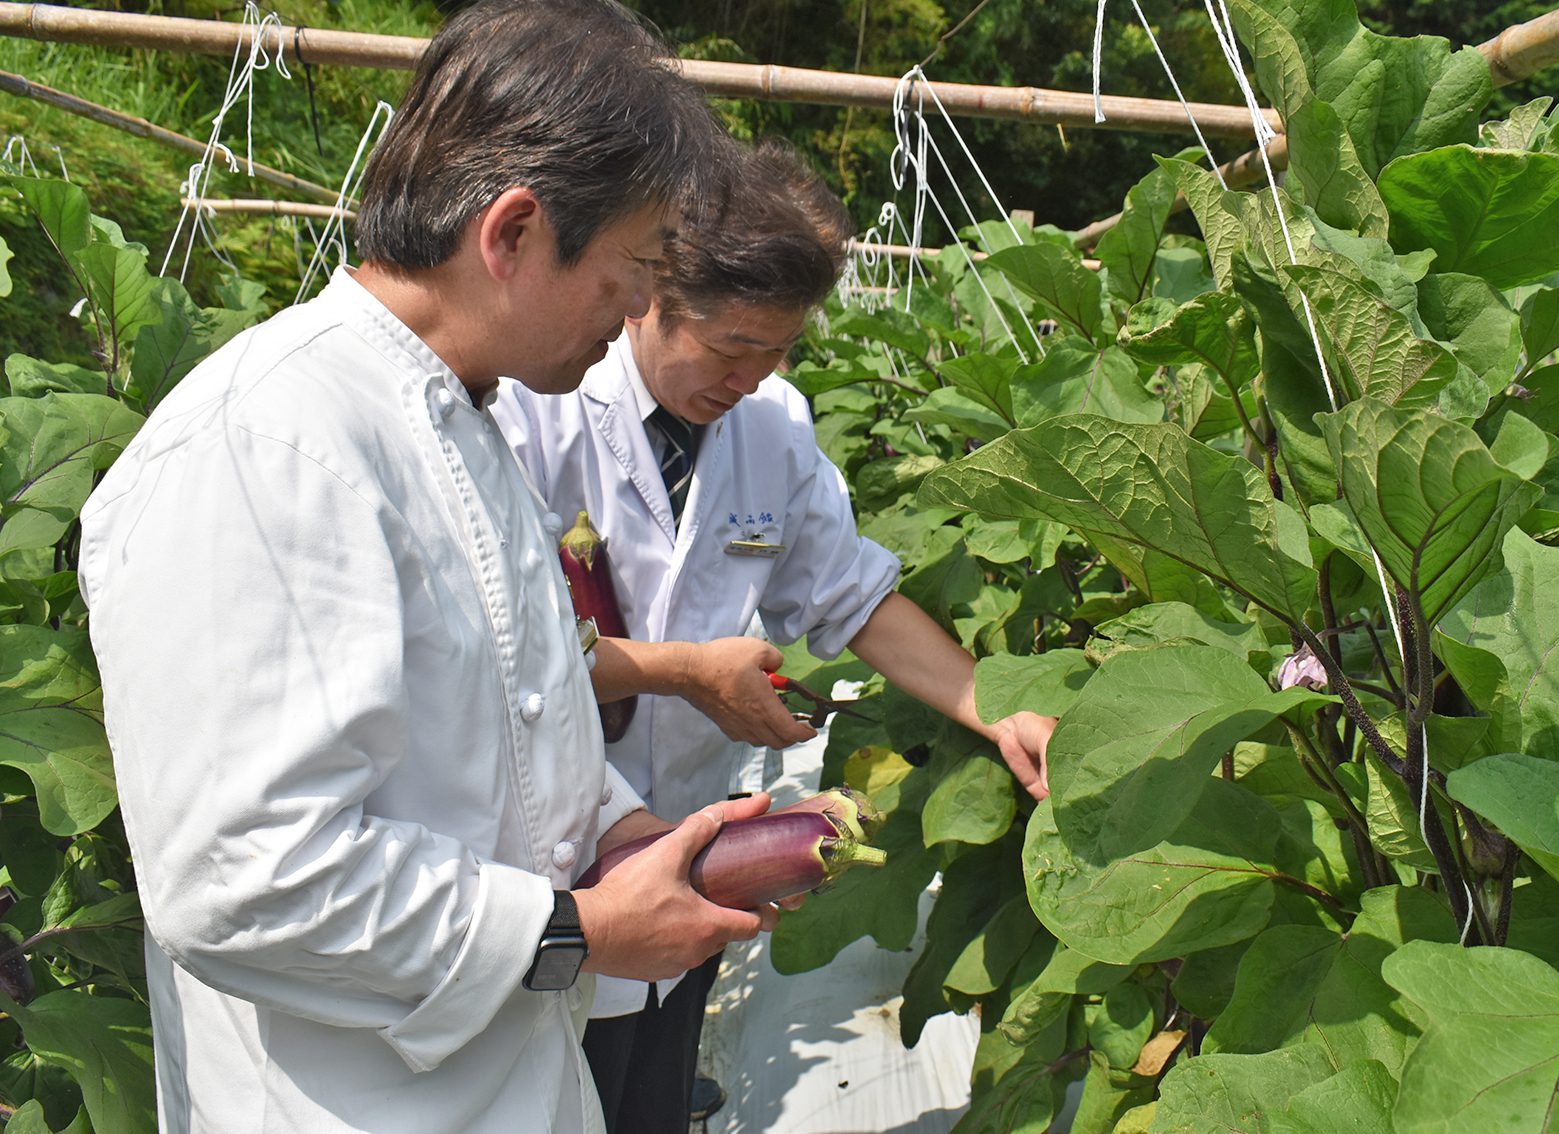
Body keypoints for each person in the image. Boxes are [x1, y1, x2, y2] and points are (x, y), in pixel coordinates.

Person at [76, 3, 776, 1131]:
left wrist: (622, 831)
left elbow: (507, 713)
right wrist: (575, 935)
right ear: (509, 234)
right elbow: (242, 879)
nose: (643, 310)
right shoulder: (269, 446)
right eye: (631, 269)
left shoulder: (459, 423)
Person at [493, 139, 1056, 1134]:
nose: (752, 377)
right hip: (549, 872)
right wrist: (685, 675)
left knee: (652, 1094)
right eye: (729, 347)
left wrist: (993, 705)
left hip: (697, 862)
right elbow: (500, 654)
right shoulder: (535, 412)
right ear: (646, 299)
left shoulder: (776, 426)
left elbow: (853, 599)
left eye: (777, 350)